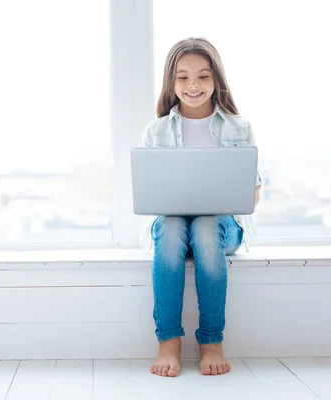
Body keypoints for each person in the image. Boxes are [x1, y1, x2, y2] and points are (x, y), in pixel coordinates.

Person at [138, 37, 262, 377]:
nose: (193, 85)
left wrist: (227, 197)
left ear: (216, 80)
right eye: (183, 77)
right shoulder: (156, 131)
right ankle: (168, 343)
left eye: (203, 76)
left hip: (222, 230)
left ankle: (211, 343)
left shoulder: (239, 127)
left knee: (206, 226)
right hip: (174, 228)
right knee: (176, 224)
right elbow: (149, 193)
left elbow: (251, 194)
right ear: (172, 82)